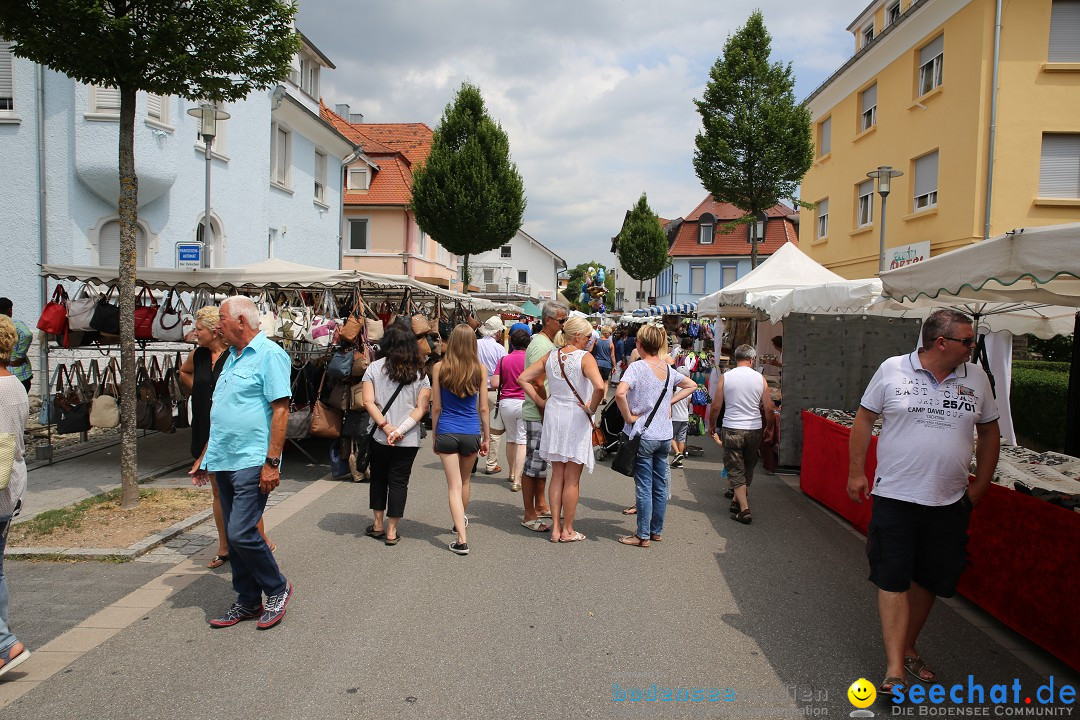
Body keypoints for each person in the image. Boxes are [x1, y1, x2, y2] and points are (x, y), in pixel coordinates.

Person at [847, 308, 999, 694]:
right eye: (967, 341)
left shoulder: (977, 377)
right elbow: (864, 419)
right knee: (892, 578)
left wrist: (980, 486)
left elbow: (990, 432)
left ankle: (908, 646)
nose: (972, 347)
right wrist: (856, 471)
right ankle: (895, 668)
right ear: (941, 342)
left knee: (929, 580)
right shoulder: (893, 369)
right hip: (896, 496)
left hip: (949, 501)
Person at [190, 296, 293, 630]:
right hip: (225, 458)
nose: (217, 325)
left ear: (240, 322)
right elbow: (222, 411)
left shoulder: (270, 355)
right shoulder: (231, 357)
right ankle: (248, 600)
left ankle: (277, 587)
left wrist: (272, 462)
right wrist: (207, 456)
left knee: (241, 531)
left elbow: (281, 410)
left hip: (252, 458)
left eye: (221, 318)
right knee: (234, 537)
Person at [180, 306, 273, 569]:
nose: (195, 333)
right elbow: (184, 374)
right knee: (219, 493)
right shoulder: (198, 356)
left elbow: (276, 406)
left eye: (200, 329)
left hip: (238, 438)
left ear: (215, 330)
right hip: (207, 428)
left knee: (245, 495)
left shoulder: (236, 356)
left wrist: (272, 459)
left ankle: (259, 543)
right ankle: (226, 547)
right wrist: (199, 394)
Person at [519, 316, 605, 544]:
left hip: (555, 414)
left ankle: (556, 528)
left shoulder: (552, 355)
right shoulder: (584, 358)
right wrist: (591, 408)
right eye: (587, 336)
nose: (589, 341)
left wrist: (541, 400)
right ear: (577, 336)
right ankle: (567, 529)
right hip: (576, 415)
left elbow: (523, 378)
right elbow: (599, 386)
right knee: (572, 478)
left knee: (557, 474)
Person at [615, 324, 696, 547]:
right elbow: (692, 385)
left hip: (644, 433)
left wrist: (629, 417)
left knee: (644, 486)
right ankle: (655, 531)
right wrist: (668, 403)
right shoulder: (669, 369)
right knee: (660, 486)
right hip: (664, 435)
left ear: (640, 345)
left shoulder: (637, 368)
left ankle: (642, 535)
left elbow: (620, 393)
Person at [362, 324, 431, 546]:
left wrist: (385, 427)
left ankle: (378, 525)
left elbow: (367, 402)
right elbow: (422, 409)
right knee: (399, 482)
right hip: (408, 438)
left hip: (379, 436)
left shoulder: (373, 368)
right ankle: (392, 531)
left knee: (379, 479)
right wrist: (400, 430)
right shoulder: (420, 373)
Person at [431, 324, 490, 556]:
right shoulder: (480, 369)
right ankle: (459, 523)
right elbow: (483, 408)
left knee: (453, 486)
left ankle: (461, 540)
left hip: (446, 429)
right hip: (471, 431)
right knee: (465, 482)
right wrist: (486, 436)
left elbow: (436, 407)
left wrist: (435, 435)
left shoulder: (439, 367)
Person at [707, 344, 775, 525]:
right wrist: (770, 428)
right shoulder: (760, 379)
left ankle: (743, 509)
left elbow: (716, 405)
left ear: (736, 358)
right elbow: (769, 408)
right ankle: (737, 501)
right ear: (752, 360)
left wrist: (712, 425)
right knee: (748, 465)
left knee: (734, 467)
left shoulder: (726, 377)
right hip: (754, 428)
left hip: (732, 427)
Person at [0, 315, 30, 678]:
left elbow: (4, 448)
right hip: (9, 491)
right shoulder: (15, 385)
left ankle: (5, 644)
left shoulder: (3, 389)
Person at [518, 302, 566, 529]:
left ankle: (540, 505)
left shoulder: (545, 343)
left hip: (541, 411)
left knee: (540, 463)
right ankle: (529, 514)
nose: (563, 325)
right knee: (533, 464)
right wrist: (543, 410)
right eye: (561, 321)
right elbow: (537, 382)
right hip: (538, 412)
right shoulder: (540, 345)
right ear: (548, 320)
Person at [492, 325, 531, 497]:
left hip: (506, 402)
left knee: (511, 439)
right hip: (524, 401)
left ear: (512, 343)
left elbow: (494, 383)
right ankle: (518, 480)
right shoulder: (530, 360)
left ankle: (512, 472)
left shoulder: (504, 360)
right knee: (522, 440)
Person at [476, 316, 507, 477]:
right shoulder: (500, 349)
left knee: (476, 426)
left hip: (475, 390)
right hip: (493, 391)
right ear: (497, 332)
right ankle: (491, 463)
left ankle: (471, 459)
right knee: (493, 428)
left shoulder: (475, 344)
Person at [0, 299, 32, 394]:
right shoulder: (13, 324)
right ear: (9, 310)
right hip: (17, 373)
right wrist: (20, 355)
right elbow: (27, 334)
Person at [670, 366, 692, 468]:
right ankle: (679, 461)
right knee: (681, 438)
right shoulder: (688, 389)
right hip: (685, 417)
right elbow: (688, 404)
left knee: (669, 436)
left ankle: (677, 453)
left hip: (675, 416)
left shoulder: (674, 388)